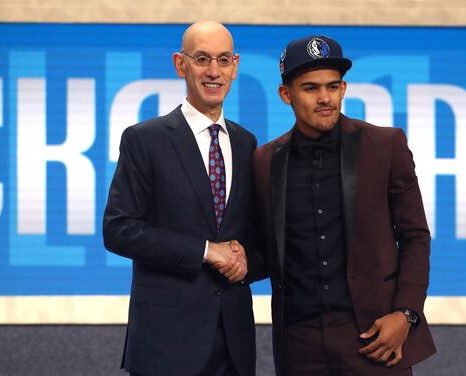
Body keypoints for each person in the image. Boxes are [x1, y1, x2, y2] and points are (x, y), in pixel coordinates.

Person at [250, 35, 436, 375]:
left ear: (343, 88)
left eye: (333, 87)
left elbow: (415, 237)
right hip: (298, 345)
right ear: (285, 95)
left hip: (374, 337)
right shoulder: (263, 162)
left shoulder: (385, 146)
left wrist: (406, 314)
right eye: (310, 88)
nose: (325, 98)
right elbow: (264, 251)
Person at [103, 20, 256, 376]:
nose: (213, 71)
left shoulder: (247, 144)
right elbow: (119, 229)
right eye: (202, 59)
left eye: (223, 60)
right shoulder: (145, 139)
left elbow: (251, 236)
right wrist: (205, 250)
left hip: (234, 344)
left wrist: (249, 256)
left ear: (235, 66)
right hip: (165, 344)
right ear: (180, 63)